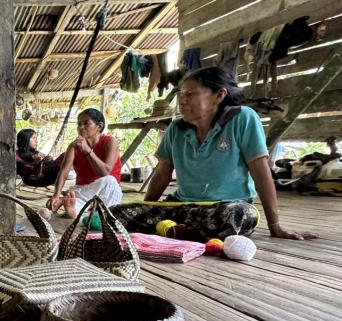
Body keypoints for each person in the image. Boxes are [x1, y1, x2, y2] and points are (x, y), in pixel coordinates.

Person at [110, 66, 318, 241]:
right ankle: (183, 231)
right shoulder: (176, 128)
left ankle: (173, 230)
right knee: (116, 213)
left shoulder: (242, 119)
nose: (182, 100)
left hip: (222, 208)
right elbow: (162, 174)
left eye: (190, 94)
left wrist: (275, 225)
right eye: (181, 94)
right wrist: (147, 208)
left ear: (219, 95)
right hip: (182, 207)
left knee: (241, 215)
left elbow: (261, 174)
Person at [47, 108, 122, 218]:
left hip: (106, 191)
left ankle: (67, 202)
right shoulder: (73, 146)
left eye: (86, 123)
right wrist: (56, 195)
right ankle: (72, 210)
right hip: (82, 191)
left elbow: (105, 172)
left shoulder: (110, 142)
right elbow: (63, 172)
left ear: (99, 126)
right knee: (75, 205)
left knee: (110, 181)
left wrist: (87, 150)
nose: (81, 127)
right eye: (79, 124)